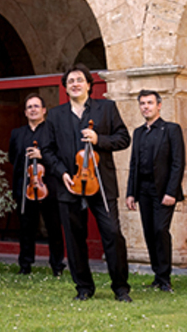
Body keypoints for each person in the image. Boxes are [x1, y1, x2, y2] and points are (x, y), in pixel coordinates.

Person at [42, 63, 132, 302]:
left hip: (101, 183)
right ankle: (83, 287)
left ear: (89, 85)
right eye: (70, 81)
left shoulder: (106, 108)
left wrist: (98, 138)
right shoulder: (55, 115)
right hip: (69, 185)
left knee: (112, 233)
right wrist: (61, 173)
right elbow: (47, 150)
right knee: (73, 238)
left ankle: (121, 288)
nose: (75, 84)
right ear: (65, 87)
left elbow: (124, 138)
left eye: (79, 80)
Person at [126, 90, 185, 293]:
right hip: (143, 190)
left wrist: (171, 192)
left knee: (160, 230)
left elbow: (178, 163)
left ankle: (165, 277)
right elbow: (133, 164)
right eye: (142, 103)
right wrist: (130, 193)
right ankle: (157, 276)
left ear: (159, 105)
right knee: (149, 232)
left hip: (163, 191)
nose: (146, 107)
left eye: (150, 103)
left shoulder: (171, 130)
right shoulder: (138, 133)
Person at [8, 94, 65, 276]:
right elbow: (12, 157)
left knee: (54, 228)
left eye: (36, 106)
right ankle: (25, 265)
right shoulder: (17, 133)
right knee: (26, 228)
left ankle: (57, 265)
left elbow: (61, 156)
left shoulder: (53, 130)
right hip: (25, 186)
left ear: (43, 110)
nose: (33, 109)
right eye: (29, 107)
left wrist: (42, 157)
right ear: (25, 112)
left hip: (49, 186)